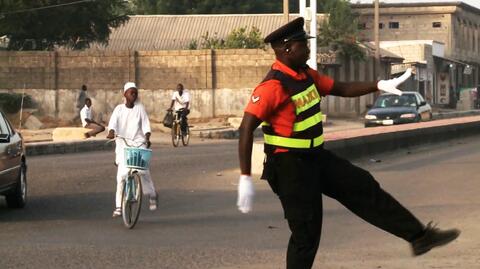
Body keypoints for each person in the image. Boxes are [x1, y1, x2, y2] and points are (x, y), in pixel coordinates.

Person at [236, 17, 460, 269]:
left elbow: (341, 87)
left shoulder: (306, 75)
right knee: (306, 233)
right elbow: (245, 129)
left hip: (316, 158)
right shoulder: (272, 86)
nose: (308, 50)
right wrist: (245, 177)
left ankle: (419, 237)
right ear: (287, 48)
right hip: (289, 167)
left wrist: (378, 85)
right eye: (303, 45)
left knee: (363, 186)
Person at [107, 82, 158, 217]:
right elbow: (112, 124)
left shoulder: (140, 108)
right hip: (123, 144)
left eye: (135, 93)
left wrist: (147, 137)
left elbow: (146, 125)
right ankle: (118, 206)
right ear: (125, 94)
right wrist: (111, 132)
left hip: (138, 143)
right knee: (121, 177)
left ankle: (152, 194)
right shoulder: (118, 109)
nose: (134, 95)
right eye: (131, 92)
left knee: (143, 171)